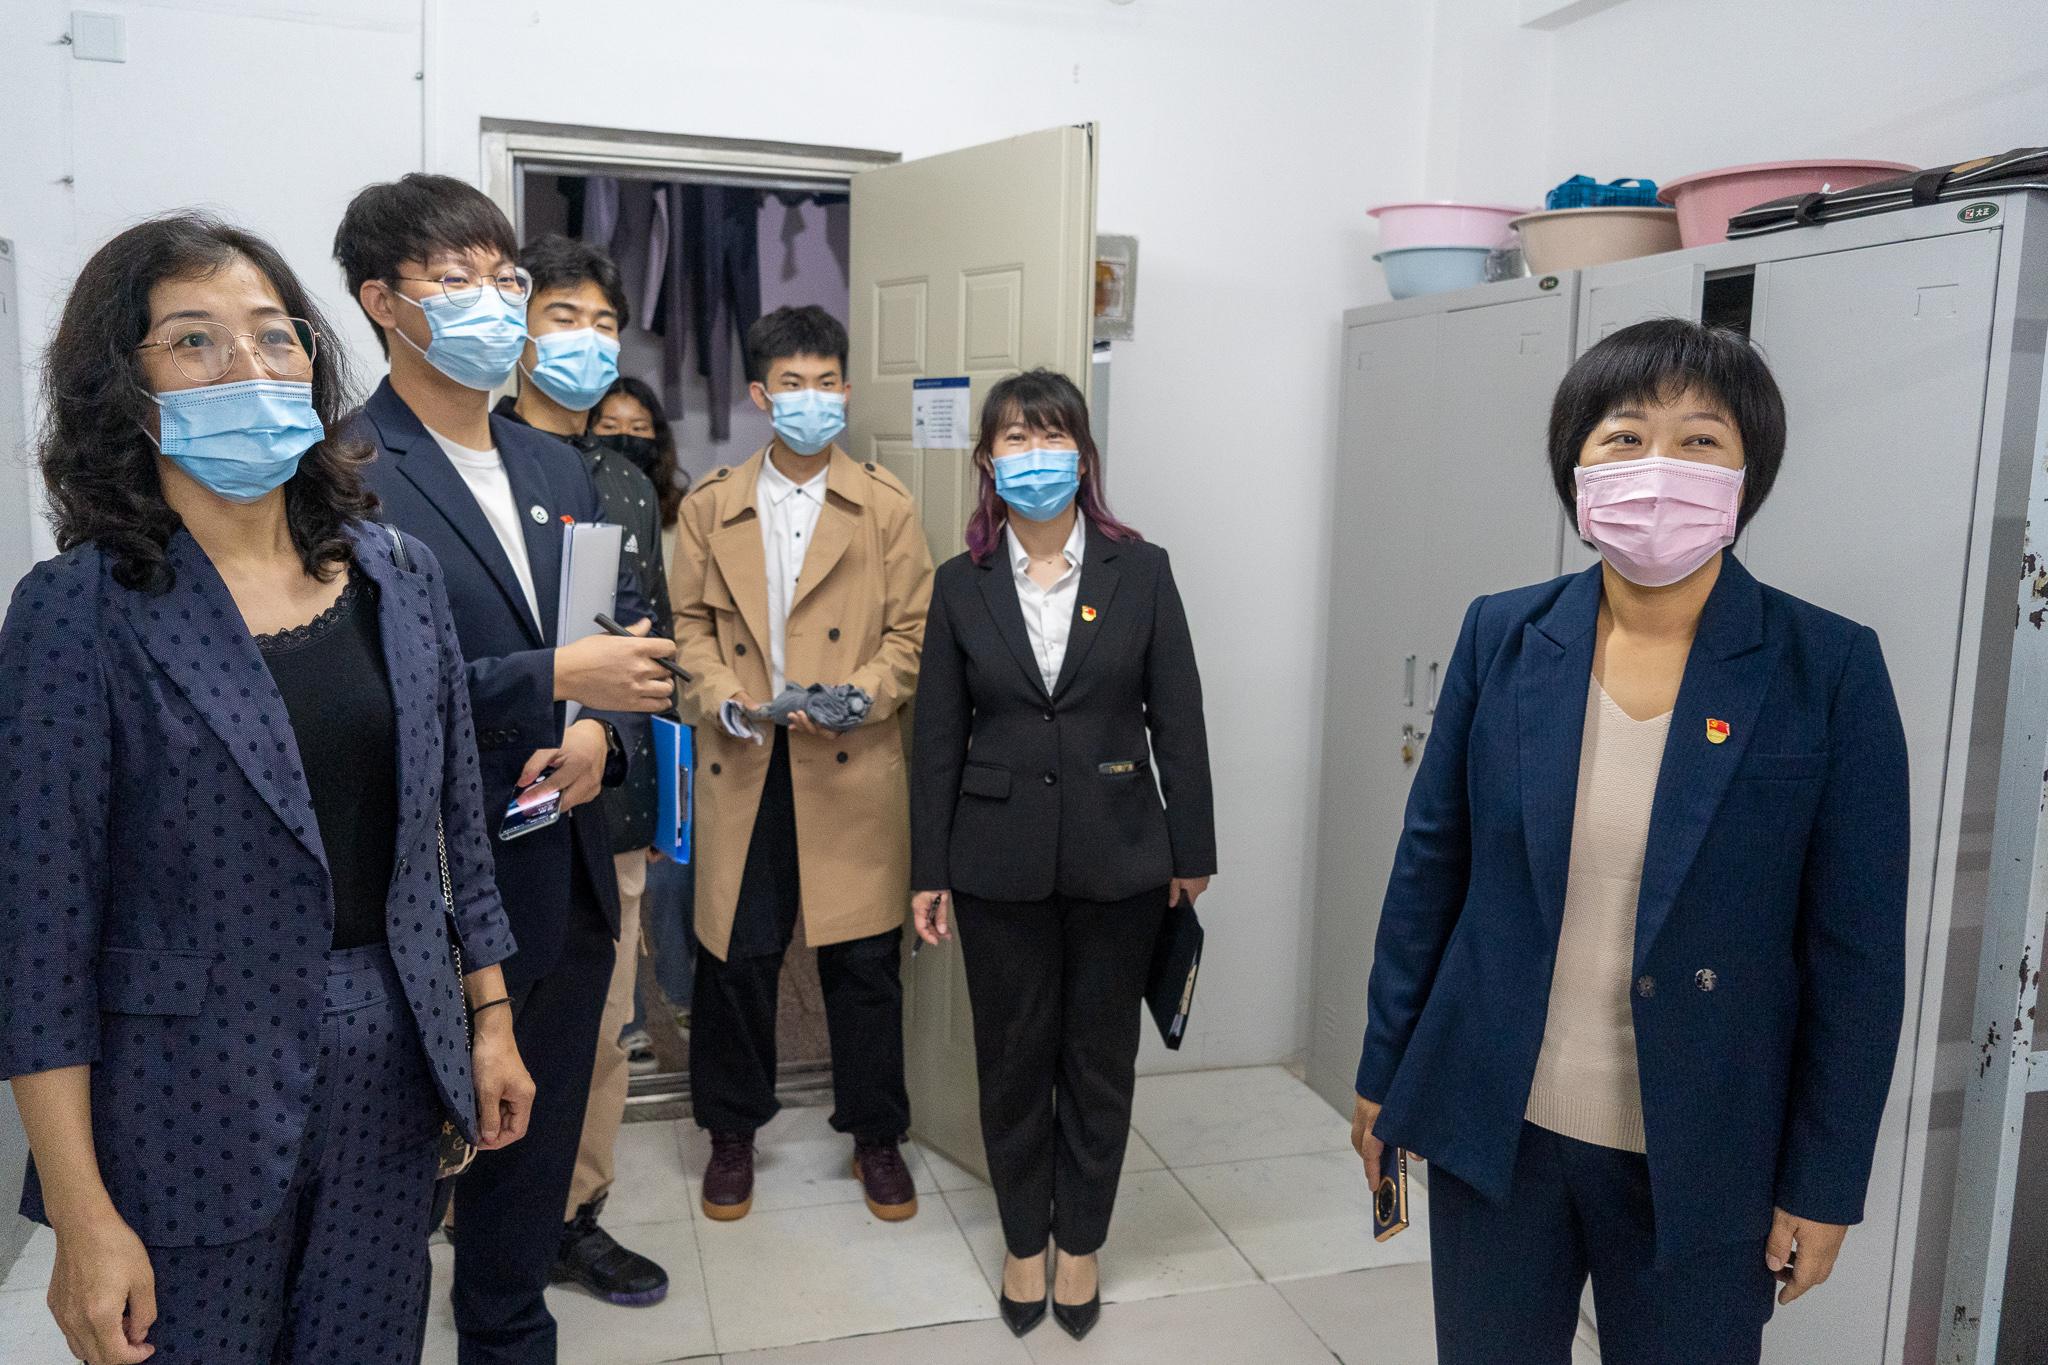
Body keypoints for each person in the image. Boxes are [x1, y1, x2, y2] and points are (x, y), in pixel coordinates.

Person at [0, 212, 533, 1365]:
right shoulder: (77, 612)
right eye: (195, 340)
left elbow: (453, 827)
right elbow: (40, 937)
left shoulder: (397, 575)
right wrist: (80, 1215)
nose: (248, 366)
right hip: (179, 1098)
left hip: (394, 1062)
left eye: (275, 335)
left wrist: (489, 1018)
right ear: (126, 387)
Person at [1348, 318, 1909, 1365]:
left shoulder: (1826, 668)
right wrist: (1383, 1072)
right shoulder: (1502, 635)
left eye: (1698, 439)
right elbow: (1430, 869)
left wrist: (1824, 1182)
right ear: (1576, 465)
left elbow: (1857, 957)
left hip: (1706, 1150)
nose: (1657, 465)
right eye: (1623, 435)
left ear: (1747, 472)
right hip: (1496, 1126)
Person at [334, 173, 678, 1365]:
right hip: (424, 898)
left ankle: (508, 1331)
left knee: (525, 1191)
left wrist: (600, 734)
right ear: (382, 301)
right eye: (453, 279)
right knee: (396, 1187)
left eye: (503, 277)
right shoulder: (344, 470)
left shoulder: (556, 467)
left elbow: (607, 656)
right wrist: (552, 680)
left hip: (564, 875)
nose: (491, 301)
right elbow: (360, 695)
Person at [908, 368, 1216, 1342]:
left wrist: (1192, 847)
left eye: (1052, 437)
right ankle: (1021, 1239)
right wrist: (928, 869)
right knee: (1010, 1062)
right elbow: (934, 739)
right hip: (993, 862)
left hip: (1121, 855)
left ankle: (1079, 1240)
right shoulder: (958, 584)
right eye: (1015, 438)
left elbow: (1179, 718)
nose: (1034, 455)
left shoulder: (1142, 570)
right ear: (986, 460)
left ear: (1082, 458)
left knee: (1098, 1059)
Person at [668, 304, 933, 1223]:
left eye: (826, 382)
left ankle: (876, 1135)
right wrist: (721, 697)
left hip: (848, 758)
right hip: (746, 758)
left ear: (846, 390)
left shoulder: (886, 505)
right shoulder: (711, 505)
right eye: (792, 383)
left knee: (864, 961)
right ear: (760, 394)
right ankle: (730, 1131)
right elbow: (688, 629)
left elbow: (913, 633)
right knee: (735, 959)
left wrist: (863, 693)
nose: (811, 398)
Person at [493, 233, 670, 1308]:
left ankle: (571, 1215)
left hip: (607, 812)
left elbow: (641, 642)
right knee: (485, 1026)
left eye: (605, 323)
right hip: (488, 810)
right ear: (516, 327)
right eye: (564, 317)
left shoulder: (625, 482)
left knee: (600, 1033)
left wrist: (609, 732)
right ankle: (472, 1213)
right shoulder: (473, 461)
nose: (587, 341)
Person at [588, 376, 698, 1052]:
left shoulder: (677, 514)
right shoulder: (584, 497)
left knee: (672, 874)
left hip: (672, 711)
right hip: (602, 709)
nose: (627, 439)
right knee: (616, 875)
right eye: (611, 427)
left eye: (640, 428)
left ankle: (680, 996)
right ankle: (625, 1017)